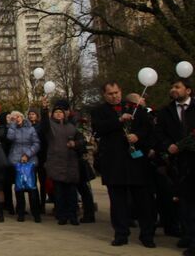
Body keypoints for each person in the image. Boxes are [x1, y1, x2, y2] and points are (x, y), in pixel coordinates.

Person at [92, 81, 156, 248]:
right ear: (104, 95)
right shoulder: (99, 111)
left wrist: (138, 136)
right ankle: (121, 233)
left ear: (121, 91)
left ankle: (147, 234)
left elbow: (148, 129)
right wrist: (118, 121)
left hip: (136, 161)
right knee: (118, 201)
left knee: (143, 201)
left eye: (117, 92)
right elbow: (98, 128)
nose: (115, 96)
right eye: (110, 94)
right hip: (114, 163)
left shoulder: (134, 107)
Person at [155, 78, 194, 255]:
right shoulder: (165, 112)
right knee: (184, 202)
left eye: (177, 87)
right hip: (178, 163)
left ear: (188, 90)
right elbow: (160, 134)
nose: (173, 89)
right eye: (172, 86)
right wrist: (167, 146)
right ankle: (188, 234)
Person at [40, 98, 83, 225]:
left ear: (65, 114)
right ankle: (62, 215)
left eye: (61, 112)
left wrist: (75, 143)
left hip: (70, 163)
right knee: (59, 192)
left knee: (71, 193)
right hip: (56, 163)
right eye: (56, 112)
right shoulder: (51, 127)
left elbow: (82, 141)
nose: (59, 114)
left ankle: (73, 215)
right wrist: (44, 109)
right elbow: (44, 124)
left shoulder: (72, 127)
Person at [7, 110, 41, 222]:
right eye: (14, 117)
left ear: (22, 117)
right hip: (16, 161)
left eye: (18, 116)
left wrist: (28, 154)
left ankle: (36, 213)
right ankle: (20, 213)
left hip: (30, 161)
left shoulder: (31, 128)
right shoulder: (12, 128)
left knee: (32, 188)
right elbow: (10, 138)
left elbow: (36, 143)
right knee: (19, 188)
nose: (17, 118)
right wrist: (12, 125)